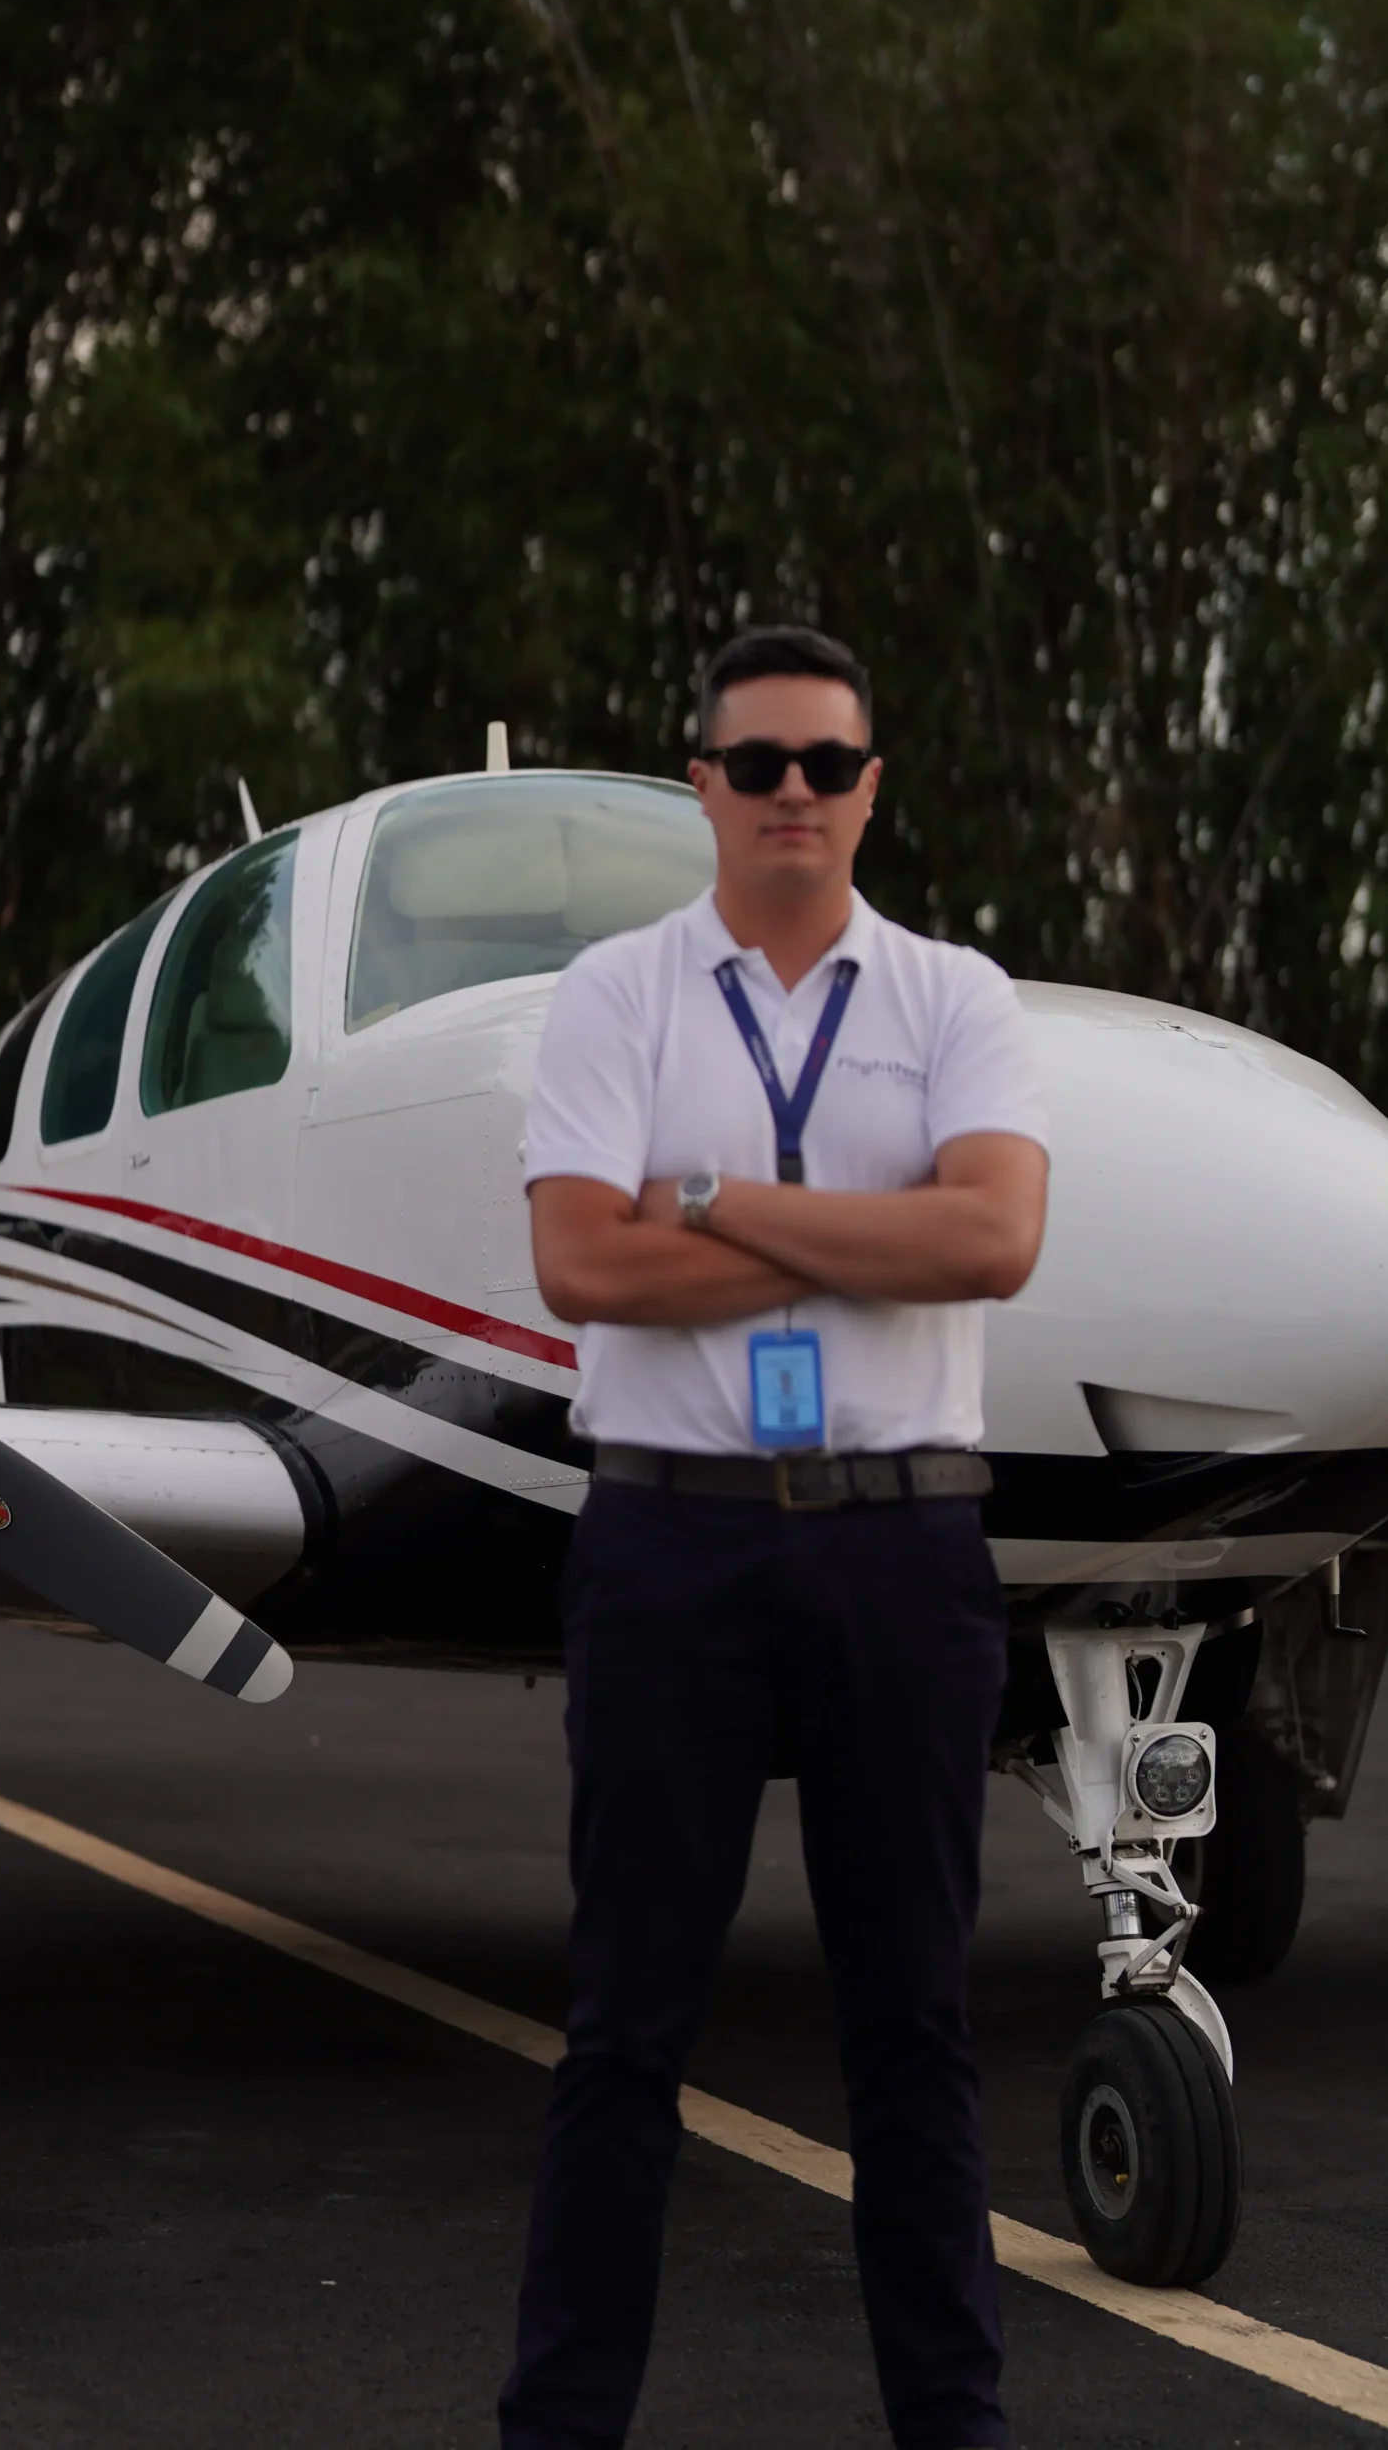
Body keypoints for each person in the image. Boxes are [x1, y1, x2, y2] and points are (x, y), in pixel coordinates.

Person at [500, 625, 1049, 2450]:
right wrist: (867, 1231)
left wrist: (720, 1201)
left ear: (870, 790)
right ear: (704, 788)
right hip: (670, 1549)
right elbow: (581, 1264)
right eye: (756, 765)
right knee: (623, 2032)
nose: (791, 793)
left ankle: (952, 2431)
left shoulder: (957, 999)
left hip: (902, 1555)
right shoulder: (618, 997)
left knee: (912, 2035)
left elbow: (992, 1242)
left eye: (825, 764)